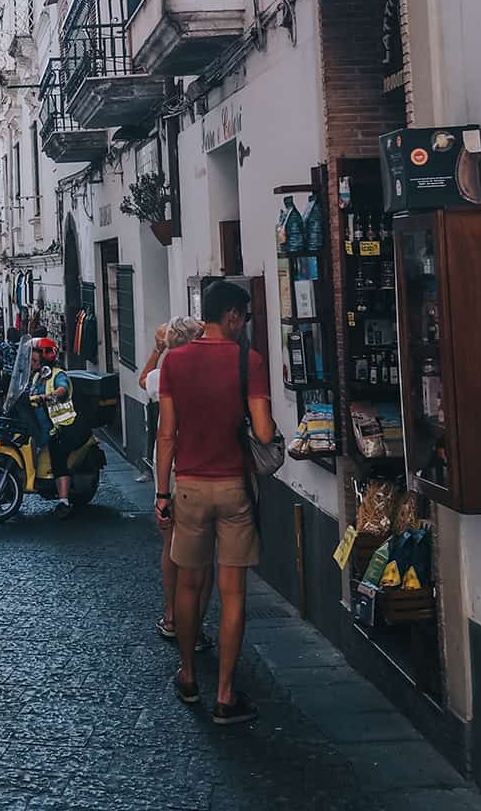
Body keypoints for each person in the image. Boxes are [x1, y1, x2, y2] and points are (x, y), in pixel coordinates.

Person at [154, 283, 275, 725]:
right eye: (243, 316)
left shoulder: (175, 362)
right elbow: (263, 434)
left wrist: (162, 492)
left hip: (187, 486)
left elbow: (166, 434)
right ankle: (226, 694)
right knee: (233, 593)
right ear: (231, 316)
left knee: (188, 585)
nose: (243, 324)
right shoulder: (250, 361)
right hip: (234, 489)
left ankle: (188, 675)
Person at [147, 318, 207, 645]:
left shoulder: (164, 375)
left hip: (171, 470)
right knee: (202, 559)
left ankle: (172, 616)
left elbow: (144, 379)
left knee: (172, 548)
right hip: (204, 469)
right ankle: (194, 627)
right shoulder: (211, 371)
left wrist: (159, 349)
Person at [23, 336, 83, 517]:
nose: (31, 364)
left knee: (58, 458)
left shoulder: (58, 375)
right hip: (46, 426)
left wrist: (47, 397)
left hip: (64, 426)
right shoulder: (36, 377)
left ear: (45, 359)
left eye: (34, 360)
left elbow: (62, 389)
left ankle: (64, 502)